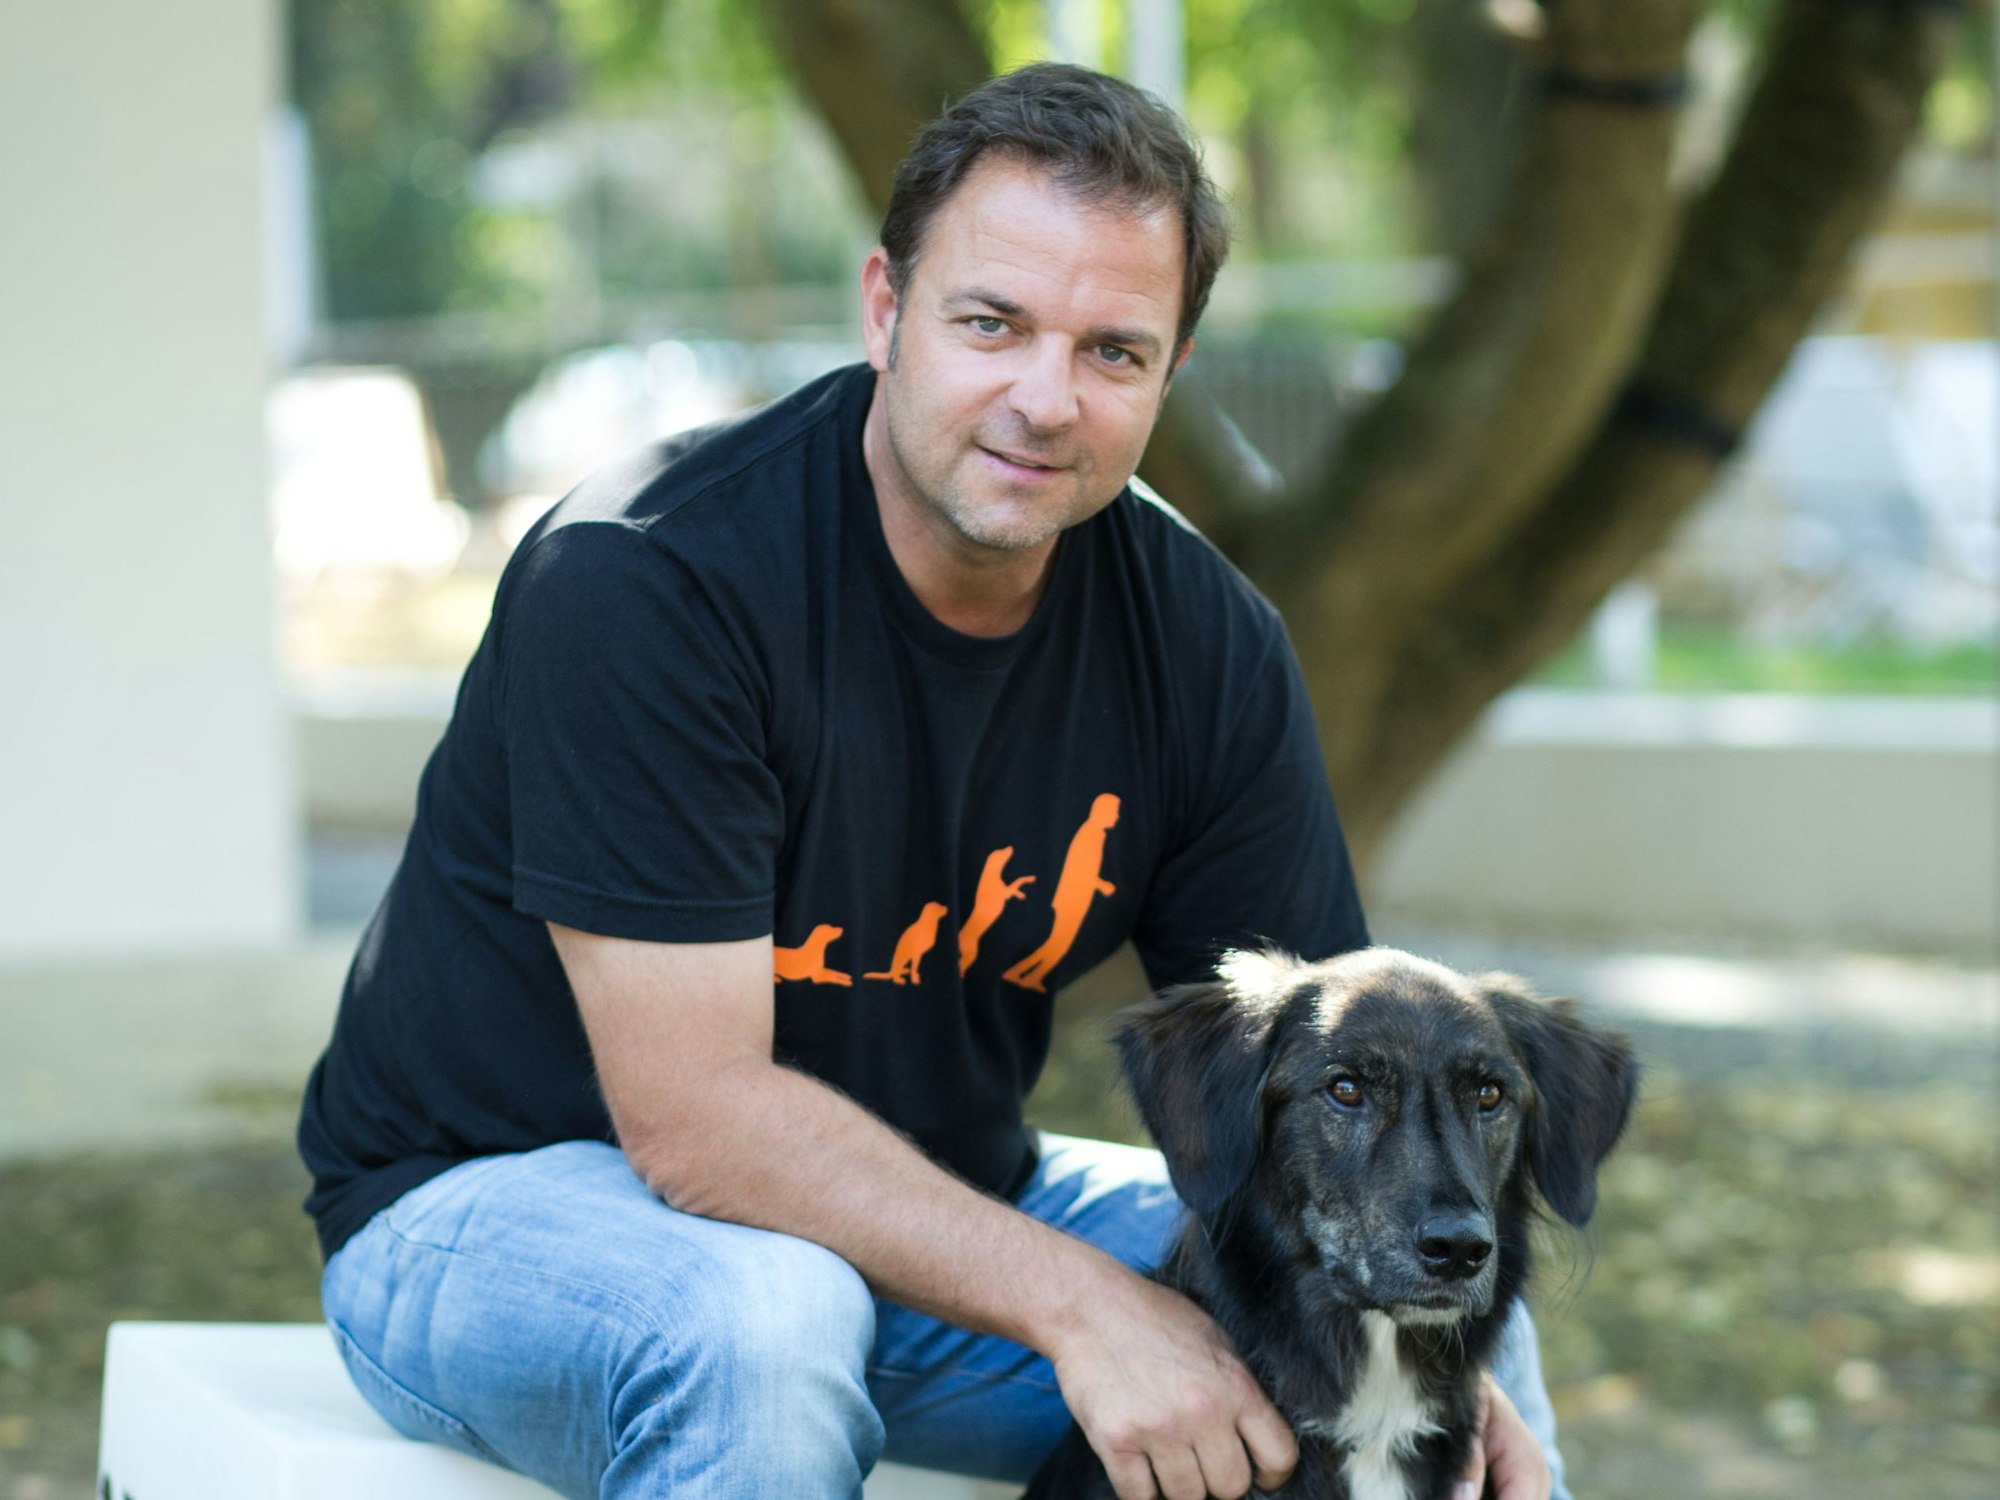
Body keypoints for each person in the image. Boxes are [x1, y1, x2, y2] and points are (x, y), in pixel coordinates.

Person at [298, 62, 1566, 1500]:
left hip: (940, 1204)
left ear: (1170, 375)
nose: (1044, 398)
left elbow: (1344, 1084)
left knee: (1433, 1254)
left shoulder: (1205, 642)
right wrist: (1085, 1305)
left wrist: (1428, 1381)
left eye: (1112, 351)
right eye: (991, 324)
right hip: (502, 1215)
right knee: (766, 1321)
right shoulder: (651, 578)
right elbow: (697, 1123)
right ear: (887, 309)